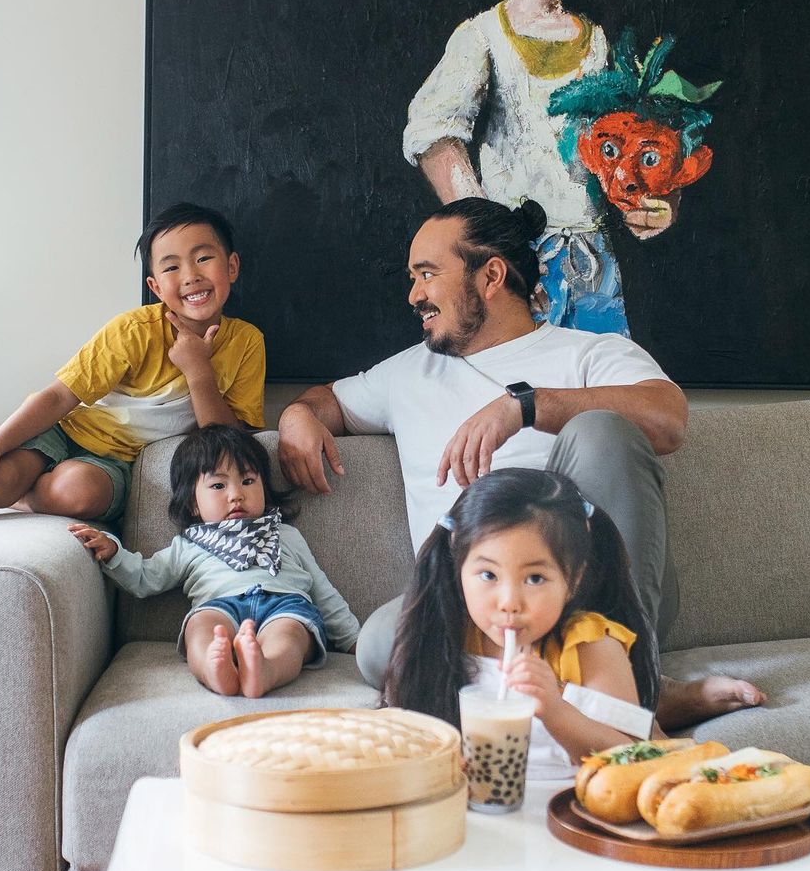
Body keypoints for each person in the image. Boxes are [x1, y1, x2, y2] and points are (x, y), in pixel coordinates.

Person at [277, 195, 764, 729]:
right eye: (413, 278)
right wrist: (297, 415)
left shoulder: (589, 352)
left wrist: (525, 406)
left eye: (427, 274)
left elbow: (668, 418)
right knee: (378, 645)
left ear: (490, 276)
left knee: (601, 428)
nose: (414, 295)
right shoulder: (405, 374)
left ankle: (631, 682)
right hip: (476, 605)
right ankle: (608, 698)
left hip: (593, 589)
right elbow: (326, 401)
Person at [363, 468, 727, 871]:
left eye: (535, 578)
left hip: (548, 849)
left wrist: (555, 708)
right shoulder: (443, 642)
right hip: (475, 841)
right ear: (458, 569)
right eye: (487, 574)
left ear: (573, 579)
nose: (509, 601)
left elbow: (634, 761)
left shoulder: (589, 645)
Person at [0, 203, 266, 562]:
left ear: (231, 266)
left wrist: (198, 370)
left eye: (203, 258)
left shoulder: (247, 342)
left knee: (78, 491)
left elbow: (228, 441)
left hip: (116, 462)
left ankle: (21, 495)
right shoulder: (135, 330)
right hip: (68, 432)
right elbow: (58, 396)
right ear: (155, 287)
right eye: (172, 267)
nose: (190, 275)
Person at [403, 0, 685, 334]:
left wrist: (655, 204)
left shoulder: (597, 42)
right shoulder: (482, 36)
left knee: (599, 369)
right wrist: (494, 242)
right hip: (514, 270)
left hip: (594, 266)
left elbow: (619, 151)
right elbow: (434, 136)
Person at [69, 425, 359, 698]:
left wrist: (353, 640)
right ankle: (213, 668)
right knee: (201, 629)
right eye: (219, 485)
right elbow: (145, 578)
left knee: (291, 636)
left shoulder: (285, 534)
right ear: (193, 503)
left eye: (248, 481)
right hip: (219, 606)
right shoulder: (190, 544)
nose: (236, 495)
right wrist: (114, 553)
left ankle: (266, 669)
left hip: (286, 606)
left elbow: (322, 591)